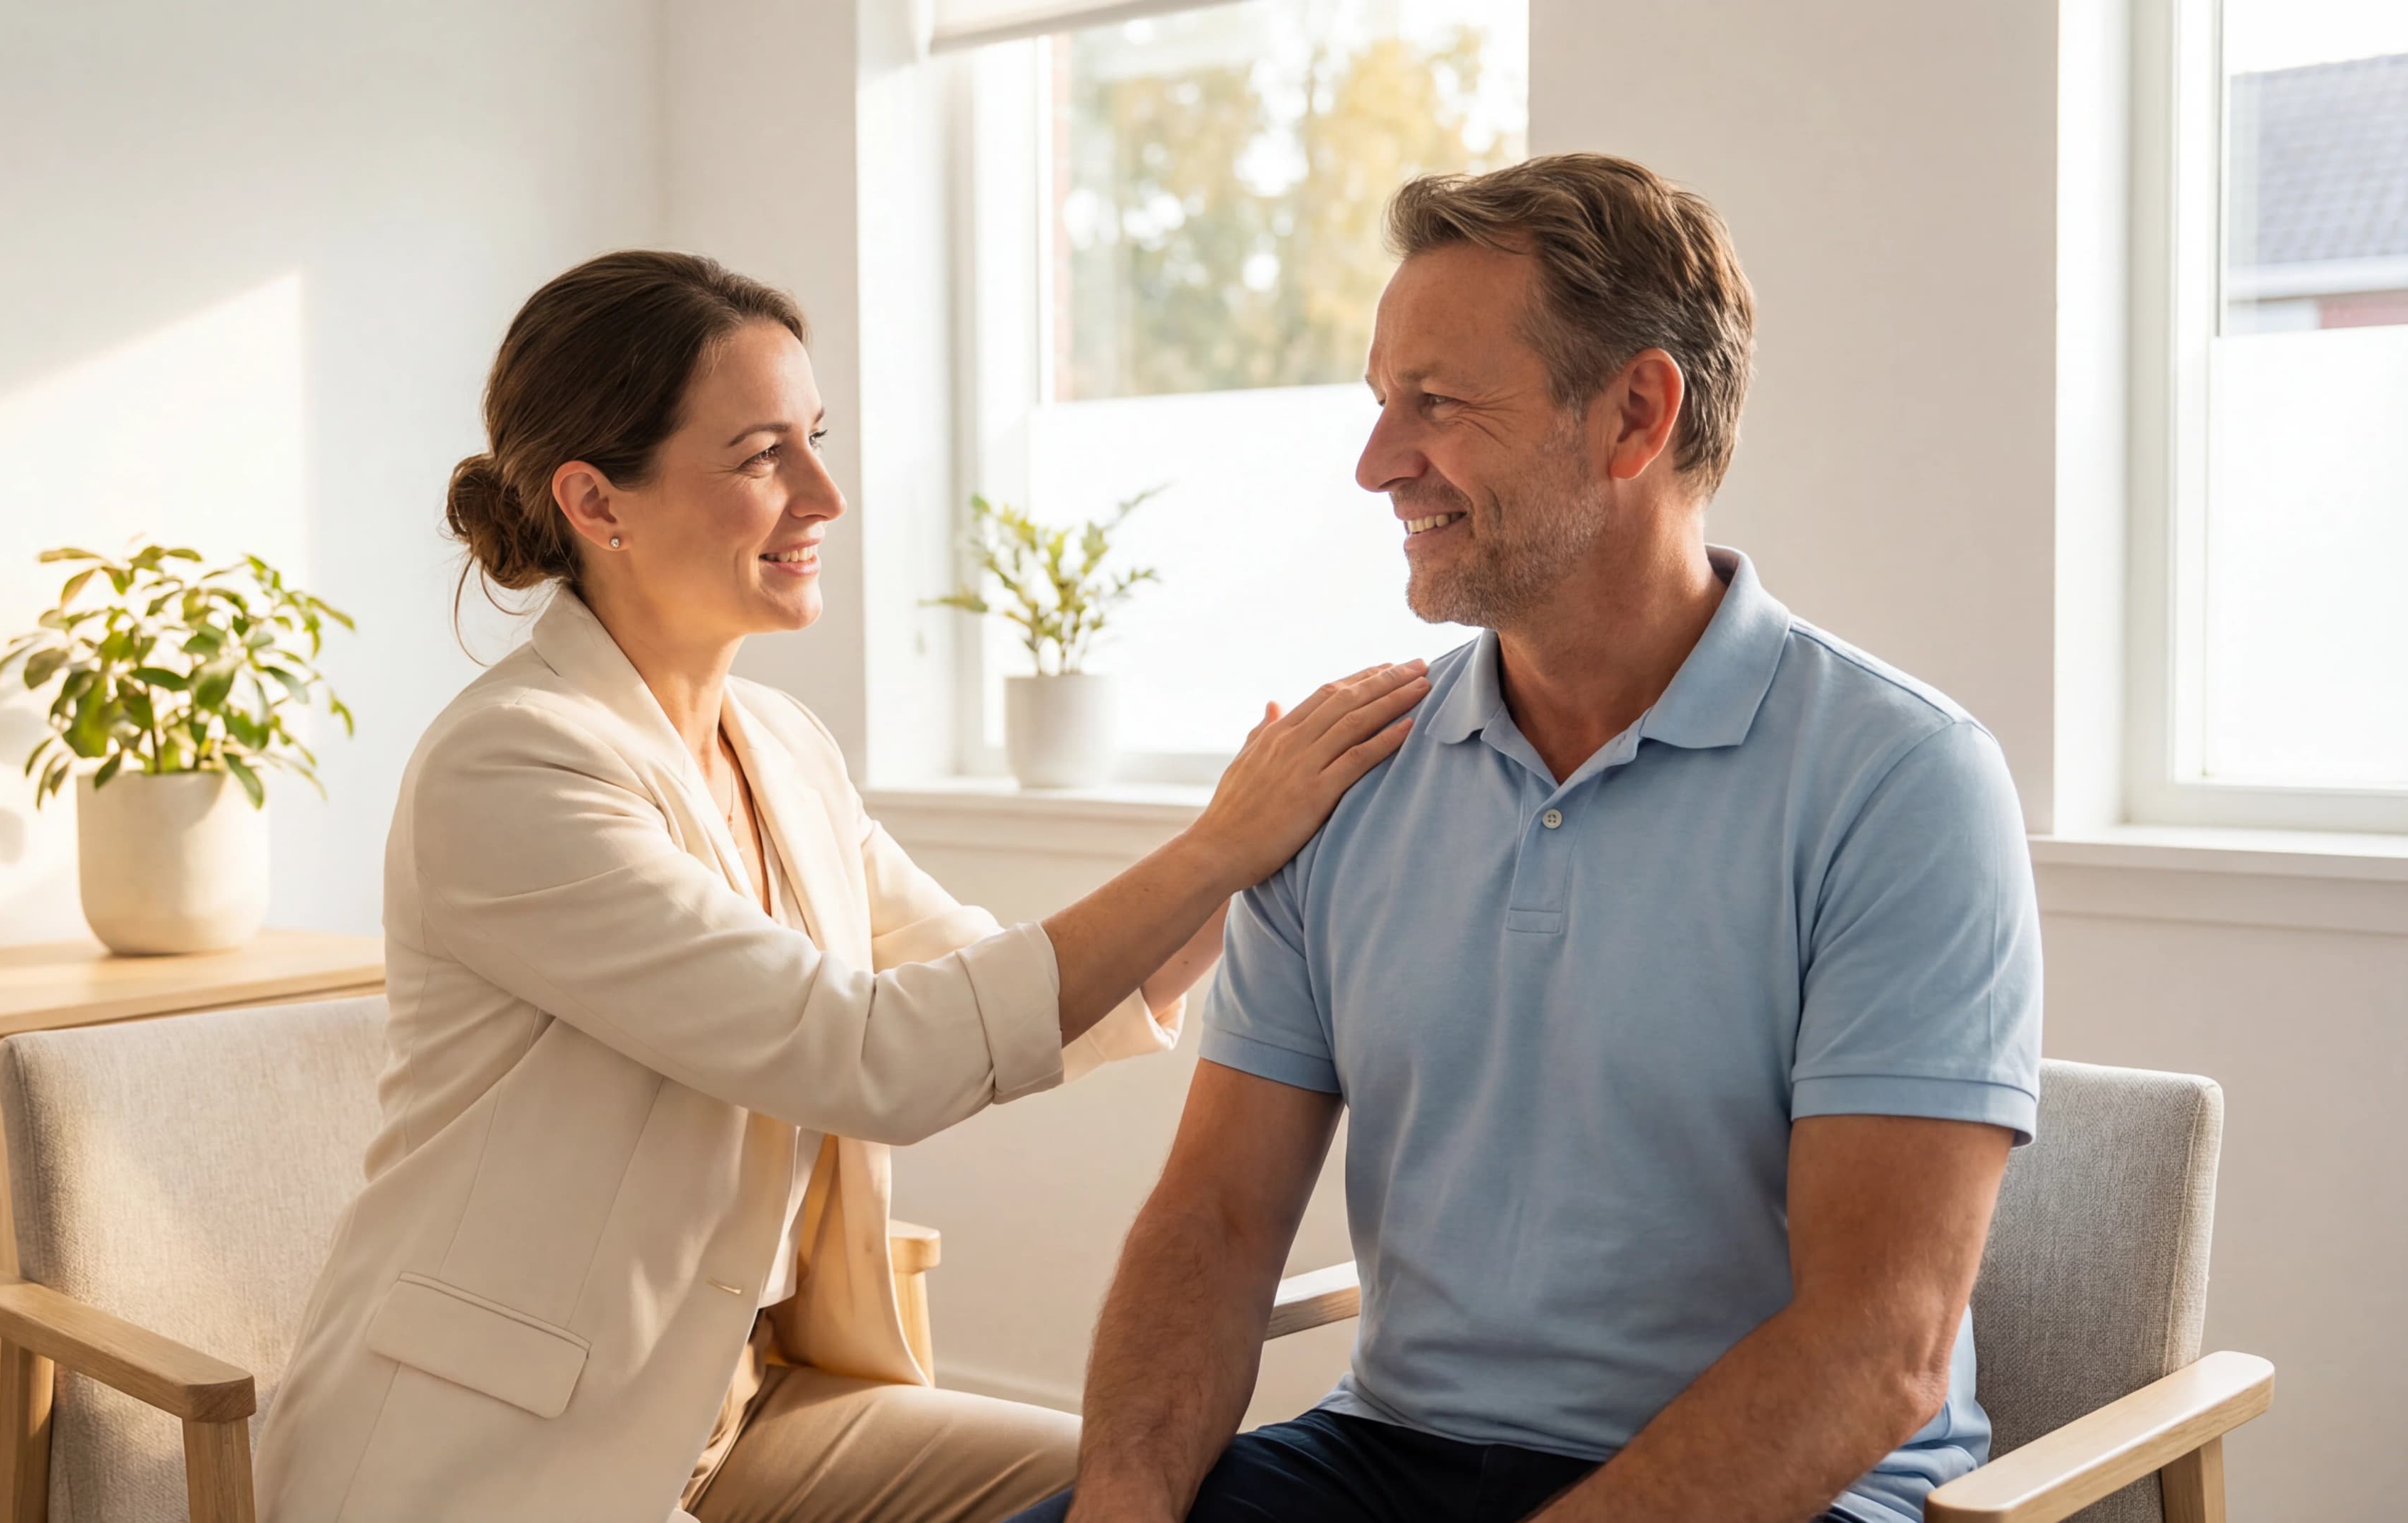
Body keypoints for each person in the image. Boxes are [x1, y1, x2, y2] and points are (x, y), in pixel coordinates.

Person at [254, 250, 1428, 1523]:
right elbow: (873, 1054)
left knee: (1151, 1491)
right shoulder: (510, 769)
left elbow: (982, 978)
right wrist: (1217, 846)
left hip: (744, 1416)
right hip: (503, 1460)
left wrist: (1267, 845)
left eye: (814, 440)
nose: (825, 495)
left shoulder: (782, 747)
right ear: (596, 502)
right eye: (763, 456)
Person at [1015, 154, 2042, 1523]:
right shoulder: (1347, 776)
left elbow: (1876, 1349)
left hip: (1790, 1488)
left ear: (1635, 415)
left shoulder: (1902, 783)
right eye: (1381, 402)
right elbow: (1217, 1218)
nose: (1378, 465)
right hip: (1389, 1458)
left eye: (1435, 404)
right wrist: (1125, 1504)